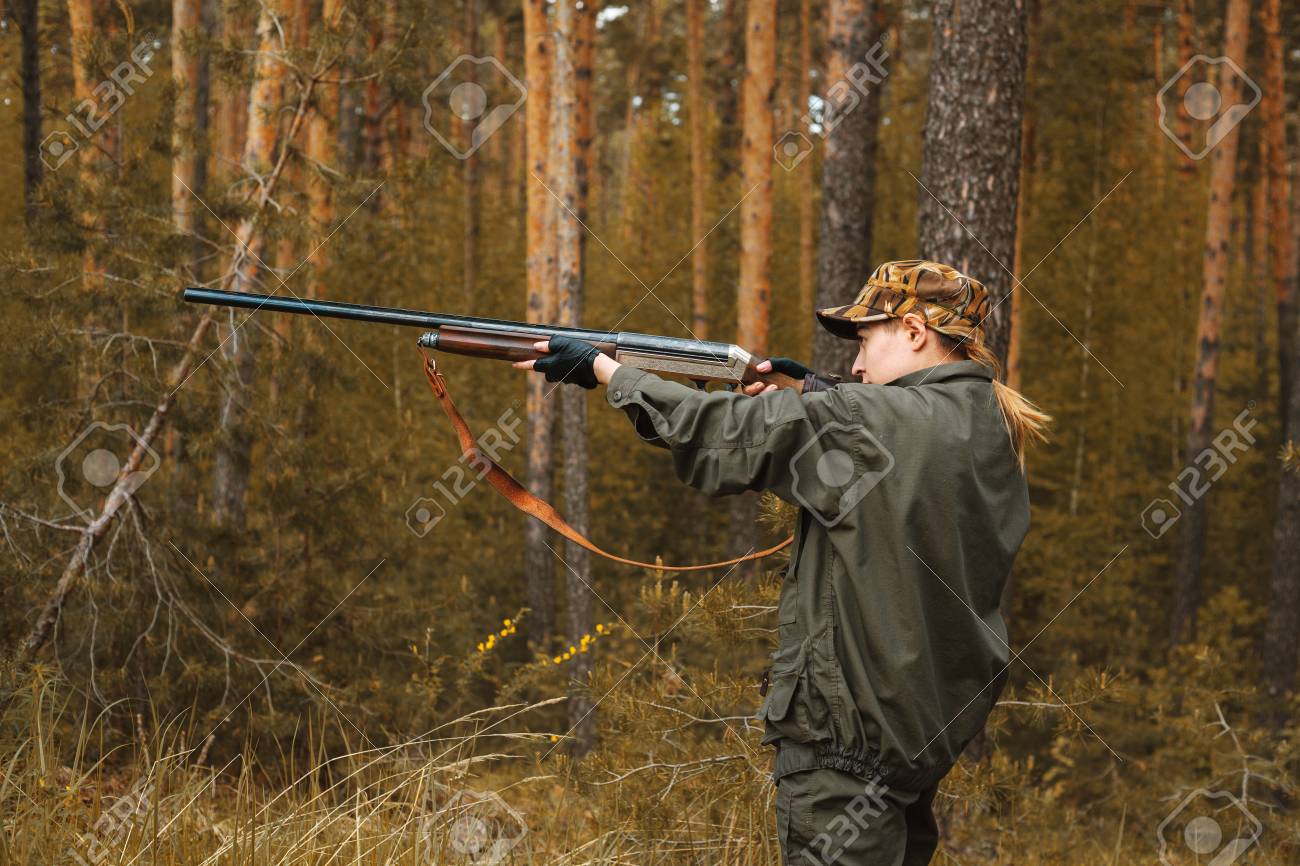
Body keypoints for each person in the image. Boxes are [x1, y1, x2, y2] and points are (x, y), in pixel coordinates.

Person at [515, 259, 1049, 865]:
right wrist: (816, 395)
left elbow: (721, 433)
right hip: (914, 749)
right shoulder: (988, 428)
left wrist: (608, 372)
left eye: (867, 339)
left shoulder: (871, 420)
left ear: (914, 331)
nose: (855, 365)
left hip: (844, 749)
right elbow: (883, 468)